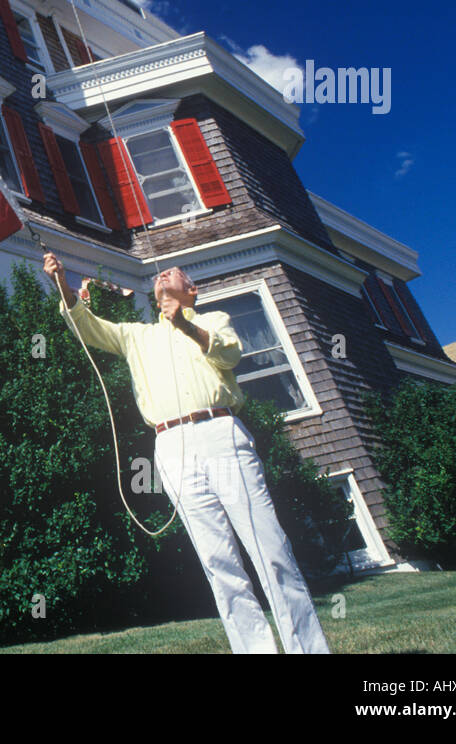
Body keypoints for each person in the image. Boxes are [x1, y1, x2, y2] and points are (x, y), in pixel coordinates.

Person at [43, 252, 330, 654]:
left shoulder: (212, 321)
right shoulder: (137, 335)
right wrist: (60, 283)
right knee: (219, 563)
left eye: (175, 271)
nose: (165, 273)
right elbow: (86, 327)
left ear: (191, 290)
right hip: (171, 446)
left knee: (271, 550)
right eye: (161, 273)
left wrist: (184, 325)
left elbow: (229, 355)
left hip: (221, 432)